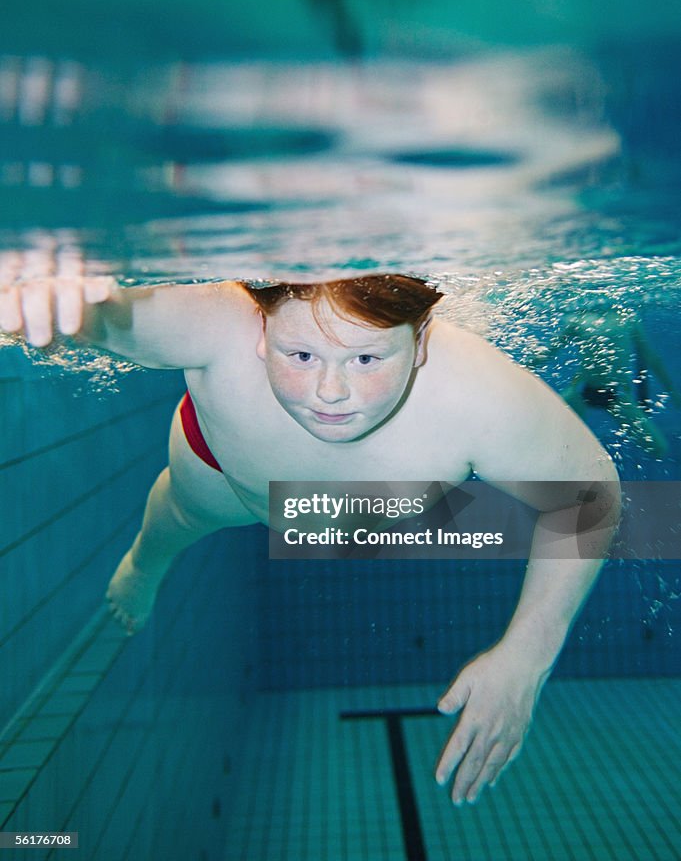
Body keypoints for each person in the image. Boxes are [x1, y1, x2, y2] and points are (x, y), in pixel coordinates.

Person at [0, 268, 620, 807]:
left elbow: (588, 494)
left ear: (422, 341)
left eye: (367, 359)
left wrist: (527, 656)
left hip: (376, 506)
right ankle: (143, 565)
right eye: (301, 356)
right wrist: (54, 304)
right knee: (179, 518)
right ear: (263, 331)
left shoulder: (478, 392)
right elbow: (106, 318)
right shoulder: (224, 321)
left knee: (462, 508)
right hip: (228, 480)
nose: (331, 392)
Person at [531, 305, 681, 457]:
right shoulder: (579, 320)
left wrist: (673, 392)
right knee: (547, 441)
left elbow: (651, 358)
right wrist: (519, 367)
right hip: (581, 391)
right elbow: (548, 353)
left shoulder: (628, 318)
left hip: (614, 396)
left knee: (658, 449)